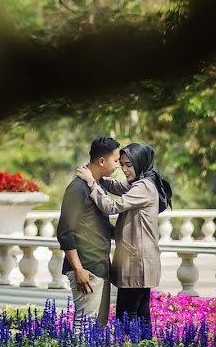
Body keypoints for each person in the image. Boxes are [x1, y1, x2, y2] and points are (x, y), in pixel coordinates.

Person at [76, 142, 173, 337]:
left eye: (129, 164)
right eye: (122, 164)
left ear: (141, 162)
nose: (125, 169)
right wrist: (99, 173)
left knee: (125, 317)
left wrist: (91, 182)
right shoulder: (142, 182)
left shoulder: (143, 187)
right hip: (141, 261)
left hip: (137, 263)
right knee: (141, 316)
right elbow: (119, 186)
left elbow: (111, 206)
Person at [56, 136, 120, 333]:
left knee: (97, 328)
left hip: (100, 266)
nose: (117, 166)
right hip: (86, 269)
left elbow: (102, 228)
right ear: (102, 161)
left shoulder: (96, 186)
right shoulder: (76, 189)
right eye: (116, 161)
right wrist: (78, 269)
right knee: (84, 327)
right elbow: (65, 232)